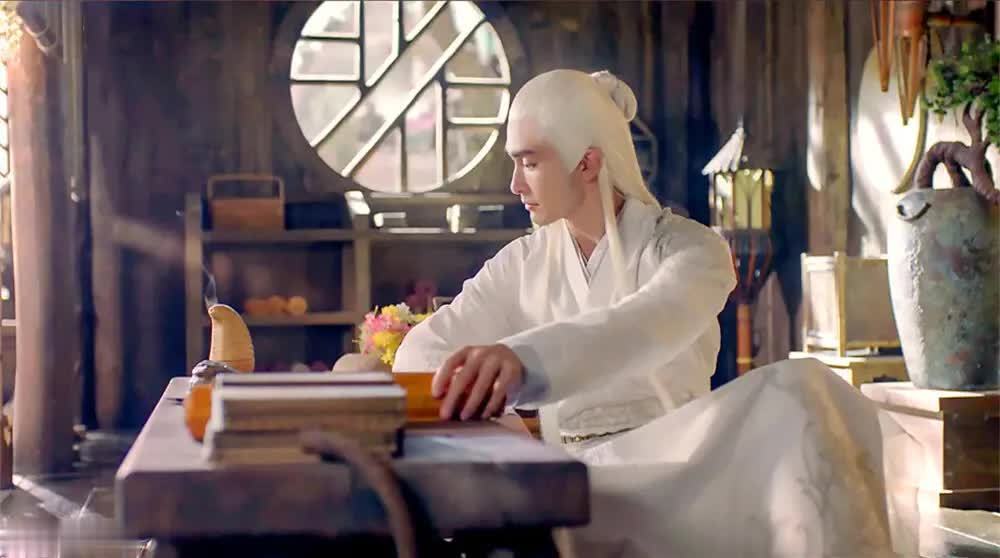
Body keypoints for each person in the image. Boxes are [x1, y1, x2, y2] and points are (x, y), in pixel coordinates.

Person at [394, 70, 911, 557]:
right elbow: (422, 350)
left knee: (803, 387)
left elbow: (644, 324)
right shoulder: (522, 262)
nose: (515, 185)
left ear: (587, 163)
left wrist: (522, 363)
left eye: (529, 163)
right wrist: (500, 416)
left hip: (680, 467)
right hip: (574, 476)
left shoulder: (693, 250)